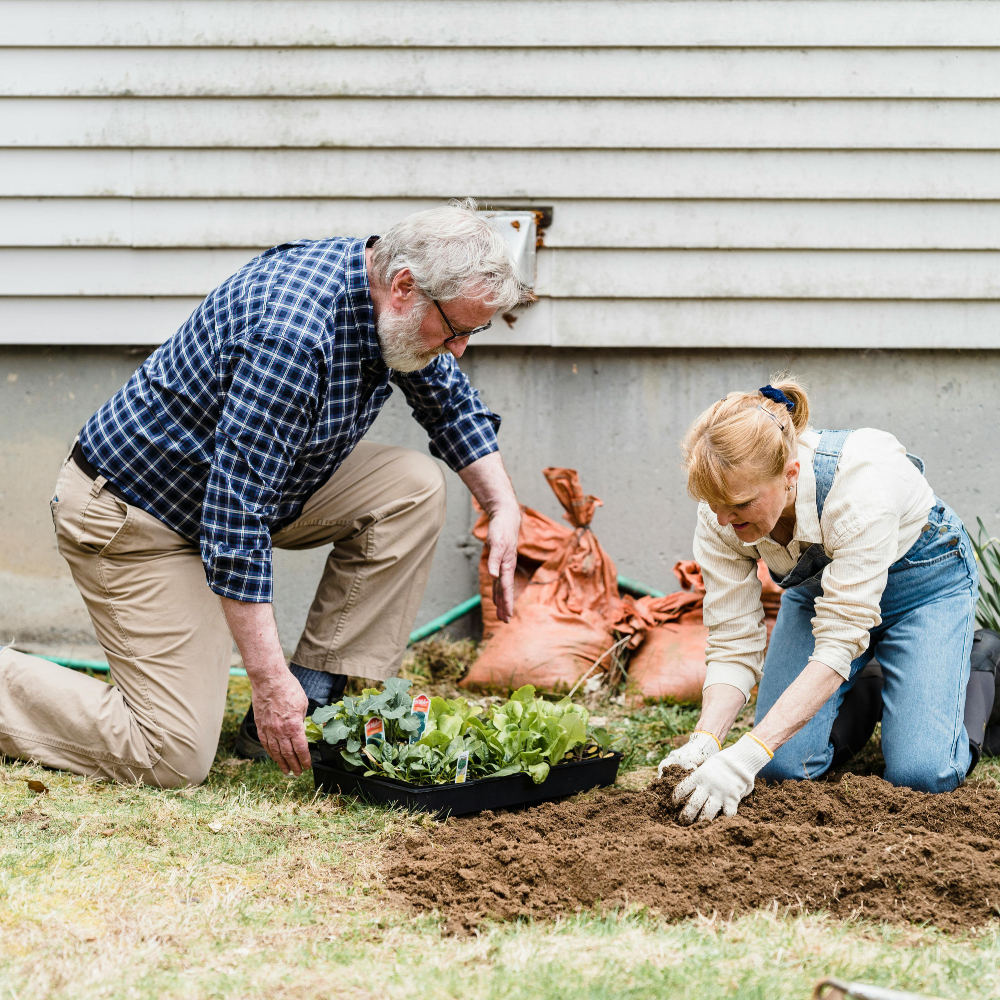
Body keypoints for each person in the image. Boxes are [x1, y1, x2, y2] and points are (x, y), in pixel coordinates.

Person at [0, 201, 529, 787]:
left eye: (474, 331)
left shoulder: (390, 296)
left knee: (411, 488)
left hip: (244, 489)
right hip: (138, 517)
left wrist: (501, 505)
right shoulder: (294, 334)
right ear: (405, 286)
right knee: (170, 755)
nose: (459, 349)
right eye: (457, 330)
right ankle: (276, 699)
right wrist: (267, 678)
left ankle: (310, 698)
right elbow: (235, 517)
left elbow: (448, 401)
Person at [659, 376, 1000, 824]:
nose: (722, 519)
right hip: (822, 596)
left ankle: (978, 665)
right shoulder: (721, 511)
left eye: (739, 504)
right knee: (782, 769)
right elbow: (733, 642)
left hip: (924, 587)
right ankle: (871, 684)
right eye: (714, 504)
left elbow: (838, 644)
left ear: (790, 475)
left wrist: (745, 755)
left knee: (922, 774)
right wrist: (706, 740)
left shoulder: (859, 487)